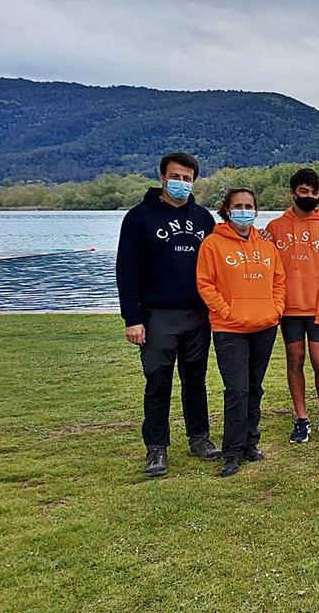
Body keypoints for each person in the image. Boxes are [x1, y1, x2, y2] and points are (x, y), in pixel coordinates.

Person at [116, 152, 218, 477]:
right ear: (162, 177)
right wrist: (132, 318)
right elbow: (126, 271)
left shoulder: (204, 219)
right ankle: (156, 448)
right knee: (158, 382)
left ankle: (199, 438)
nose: (181, 183)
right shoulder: (138, 218)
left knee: (195, 381)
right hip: (157, 314)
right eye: (176, 177)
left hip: (198, 315)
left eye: (187, 179)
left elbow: (217, 266)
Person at [195, 188, 285, 477]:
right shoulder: (212, 244)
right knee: (237, 390)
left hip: (264, 326)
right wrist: (226, 312)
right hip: (229, 329)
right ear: (227, 209)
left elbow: (279, 281)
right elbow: (205, 284)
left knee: (255, 387)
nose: (243, 211)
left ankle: (250, 443)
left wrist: (276, 310)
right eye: (238, 206)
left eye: (249, 206)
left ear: (256, 211)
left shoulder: (268, 246)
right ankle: (231, 452)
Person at [266, 168, 319, 443]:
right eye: (304, 192)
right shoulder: (275, 227)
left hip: (318, 309)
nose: (309, 197)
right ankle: (301, 418)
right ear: (293, 193)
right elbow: (267, 266)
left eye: (314, 193)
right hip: (289, 310)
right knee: (295, 359)